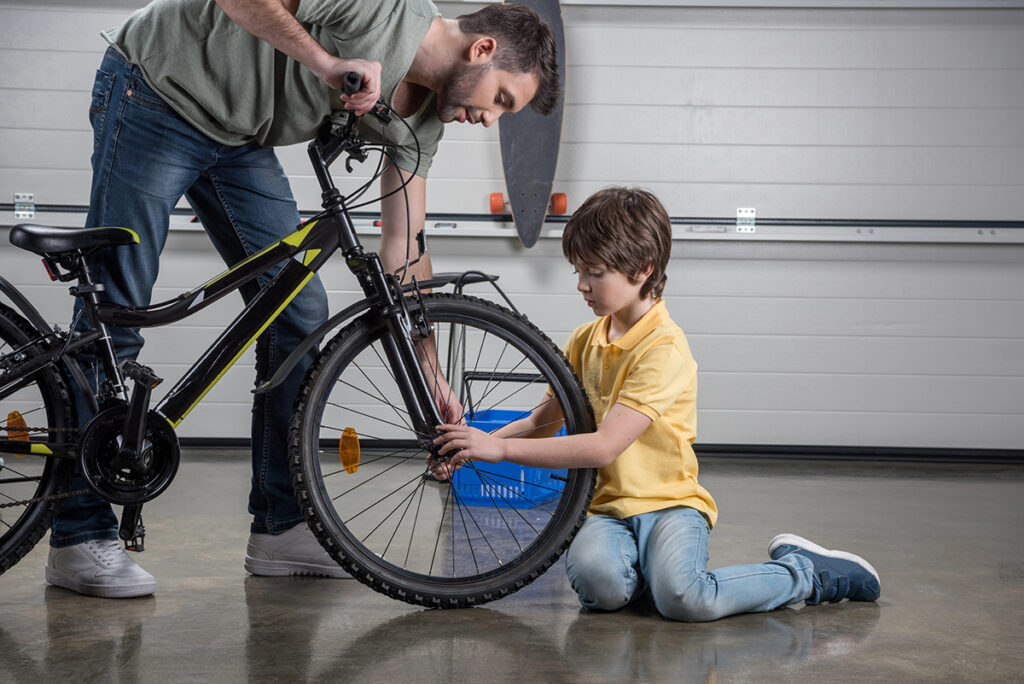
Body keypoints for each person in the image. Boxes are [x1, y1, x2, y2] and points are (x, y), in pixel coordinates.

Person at [45, 0, 559, 599]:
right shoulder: (385, 11)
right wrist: (323, 61)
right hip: (159, 90)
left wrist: (431, 375)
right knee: (119, 311)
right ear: (483, 50)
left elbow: (404, 246)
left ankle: (282, 528)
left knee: (301, 314)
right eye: (500, 99)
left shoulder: (423, 124)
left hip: (237, 135)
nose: (491, 121)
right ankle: (78, 537)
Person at [433, 187, 881, 621]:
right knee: (599, 589)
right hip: (605, 508)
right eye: (577, 271)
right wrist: (470, 448)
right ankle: (654, 576)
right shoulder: (583, 340)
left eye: (594, 272)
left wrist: (500, 449)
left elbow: (605, 446)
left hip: (669, 504)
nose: (581, 285)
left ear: (643, 268)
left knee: (688, 600)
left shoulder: (663, 349)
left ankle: (807, 573)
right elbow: (541, 422)